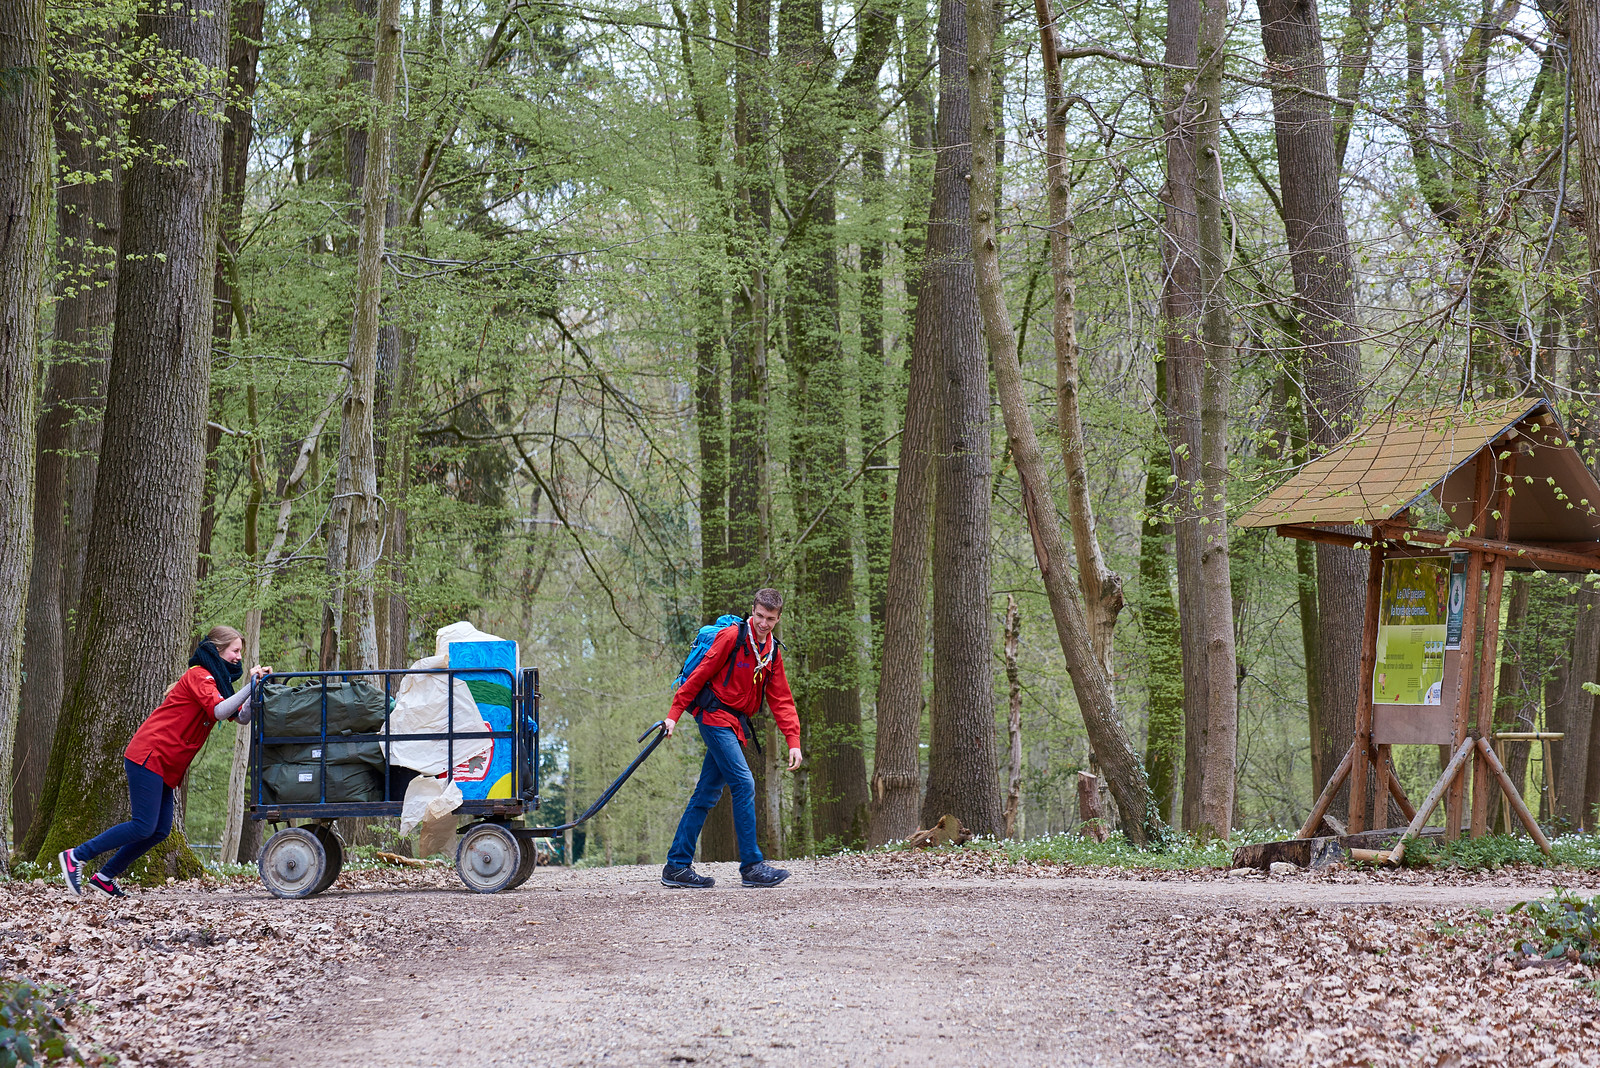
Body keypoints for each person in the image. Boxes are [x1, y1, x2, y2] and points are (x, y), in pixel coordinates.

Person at [58, 625, 271, 897]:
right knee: (143, 825)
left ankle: (104, 877)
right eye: (235, 650)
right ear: (218, 650)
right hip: (150, 754)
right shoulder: (200, 675)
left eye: (241, 651)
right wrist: (248, 687)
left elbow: (240, 716)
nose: (239, 656)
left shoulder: (217, 682)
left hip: (166, 764)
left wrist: (255, 690)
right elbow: (219, 711)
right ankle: (76, 856)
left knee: (159, 830)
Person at [661, 588, 801, 889]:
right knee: (744, 782)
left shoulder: (772, 651)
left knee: (707, 793)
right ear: (753, 611)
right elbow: (698, 675)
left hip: (734, 724)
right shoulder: (731, 637)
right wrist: (673, 714)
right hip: (713, 717)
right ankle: (751, 865)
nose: (764, 623)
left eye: (771, 619)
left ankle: (676, 866)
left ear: (778, 619)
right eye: (760, 616)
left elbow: (782, 699)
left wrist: (794, 741)